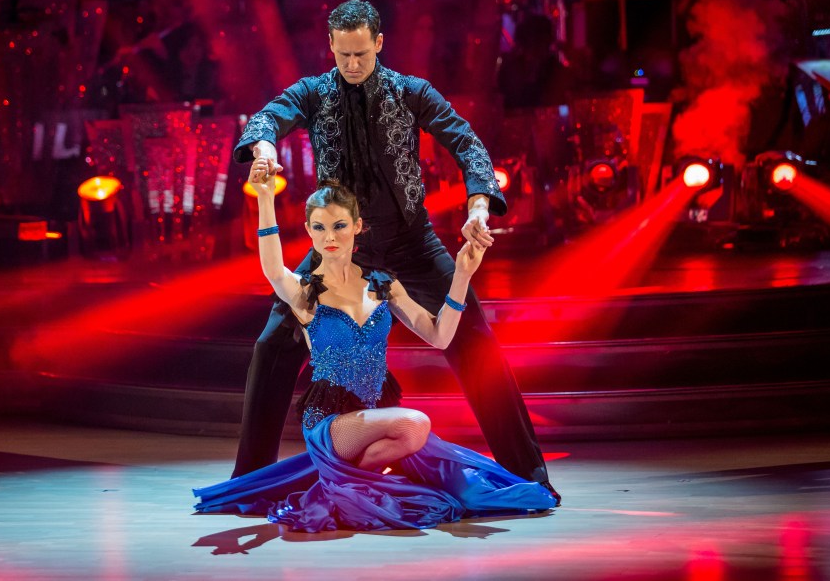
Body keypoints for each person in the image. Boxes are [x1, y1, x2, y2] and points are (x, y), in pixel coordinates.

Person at [230, 0, 560, 503]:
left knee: (472, 338)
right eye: (343, 56)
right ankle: (249, 484)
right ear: (332, 48)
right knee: (274, 342)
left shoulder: (411, 92)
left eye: (362, 54)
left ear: (379, 43)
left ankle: (528, 474)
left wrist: (477, 206)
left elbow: (468, 144)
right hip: (341, 246)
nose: (353, 65)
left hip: (410, 242)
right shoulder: (315, 93)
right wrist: (266, 150)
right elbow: (268, 117)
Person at [192, 177, 557, 531]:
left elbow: (440, 336)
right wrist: (266, 197)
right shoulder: (305, 293)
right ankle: (338, 480)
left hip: (374, 417)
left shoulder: (383, 285)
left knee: (461, 484)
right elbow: (273, 268)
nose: (329, 237)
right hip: (330, 425)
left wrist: (462, 275)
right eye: (319, 228)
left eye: (338, 225)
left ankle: (346, 482)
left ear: (357, 226)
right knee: (414, 424)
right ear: (309, 231)